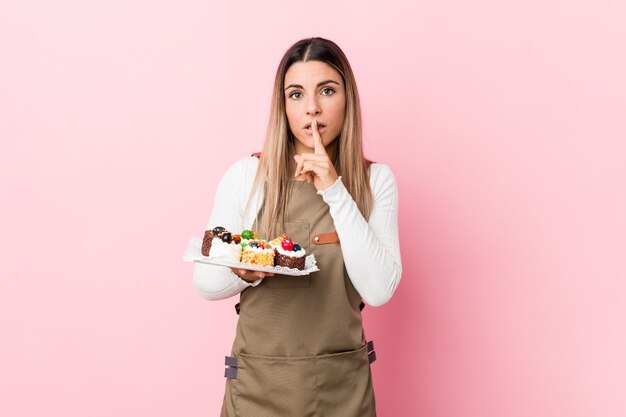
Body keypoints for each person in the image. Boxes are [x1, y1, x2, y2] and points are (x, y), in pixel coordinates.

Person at [192, 37, 402, 417]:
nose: (312, 109)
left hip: (342, 393)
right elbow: (205, 284)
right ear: (282, 105)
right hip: (257, 388)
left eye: (327, 90)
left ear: (348, 98)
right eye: (296, 94)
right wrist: (244, 273)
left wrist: (335, 191)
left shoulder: (375, 182)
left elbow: (378, 289)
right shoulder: (247, 176)